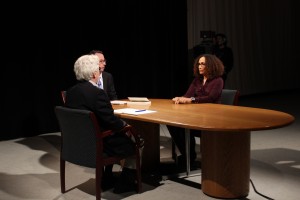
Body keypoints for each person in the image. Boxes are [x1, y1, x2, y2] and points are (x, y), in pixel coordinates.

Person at [64, 54, 142, 193]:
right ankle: (125, 182)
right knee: (138, 141)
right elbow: (111, 121)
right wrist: (126, 126)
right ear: (94, 73)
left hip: (77, 145)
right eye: (99, 69)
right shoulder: (97, 94)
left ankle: (106, 178)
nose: (100, 71)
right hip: (99, 144)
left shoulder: (70, 93)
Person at [167, 54, 224, 167]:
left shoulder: (218, 80)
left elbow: (210, 98)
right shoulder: (197, 80)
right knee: (172, 124)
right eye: (199, 64)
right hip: (197, 115)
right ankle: (188, 155)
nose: (199, 66)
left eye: (203, 64)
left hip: (211, 118)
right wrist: (180, 98)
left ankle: (190, 157)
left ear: (211, 65)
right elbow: (188, 95)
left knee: (183, 127)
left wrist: (191, 99)